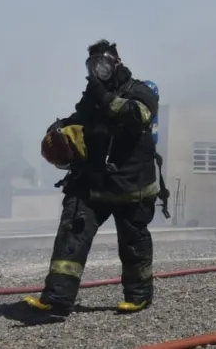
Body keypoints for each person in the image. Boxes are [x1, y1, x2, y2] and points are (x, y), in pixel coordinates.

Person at [23, 39, 169, 317]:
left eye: (102, 63)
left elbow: (137, 116)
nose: (97, 70)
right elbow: (81, 119)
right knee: (71, 235)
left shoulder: (141, 90)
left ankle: (138, 297)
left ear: (116, 63)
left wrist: (103, 96)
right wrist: (60, 129)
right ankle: (56, 299)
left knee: (133, 244)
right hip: (93, 185)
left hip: (132, 188)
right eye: (92, 65)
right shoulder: (91, 95)